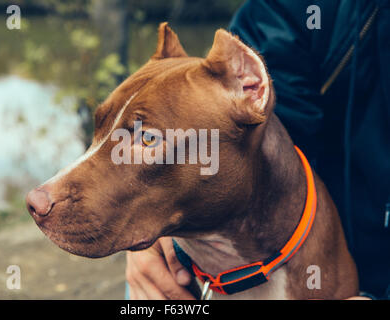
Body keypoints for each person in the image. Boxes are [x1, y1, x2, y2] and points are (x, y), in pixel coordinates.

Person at [126, 0, 390, 299]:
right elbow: (252, 125)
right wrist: (147, 211)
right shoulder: (299, 10)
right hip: (266, 237)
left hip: (341, 276)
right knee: (151, 275)